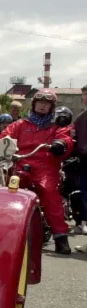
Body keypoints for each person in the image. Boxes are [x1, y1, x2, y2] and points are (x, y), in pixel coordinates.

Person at [0, 89, 73, 254]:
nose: (43, 106)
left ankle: (60, 237)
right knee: (6, 190)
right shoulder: (20, 124)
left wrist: (61, 144)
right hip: (21, 163)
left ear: (51, 107)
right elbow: (5, 135)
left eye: (47, 103)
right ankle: (1, 231)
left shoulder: (57, 126)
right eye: (40, 102)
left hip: (46, 167)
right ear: (34, 104)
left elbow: (66, 139)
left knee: (50, 194)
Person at [73, 85, 87, 234]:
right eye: (84, 94)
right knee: (84, 192)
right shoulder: (80, 118)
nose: (86, 97)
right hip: (83, 160)